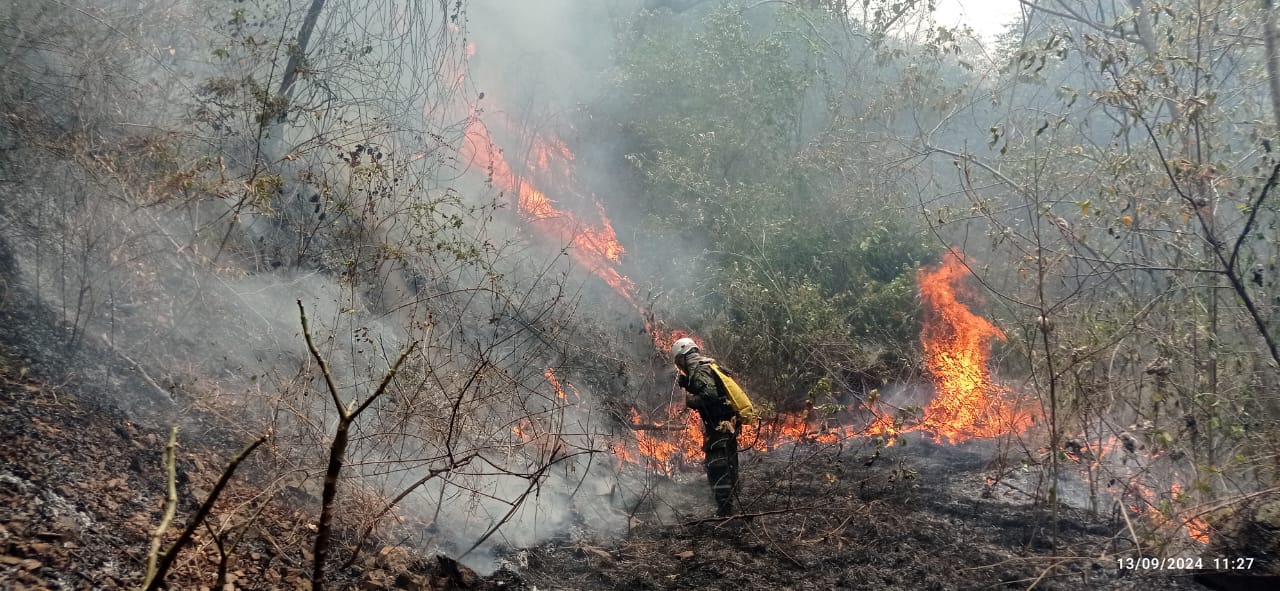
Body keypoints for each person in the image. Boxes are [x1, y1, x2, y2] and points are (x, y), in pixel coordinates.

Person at [672, 337, 739, 516]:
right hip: (728, 422)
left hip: (720, 425)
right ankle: (733, 499)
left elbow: (710, 396)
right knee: (729, 460)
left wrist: (690, 400)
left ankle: (725, 509)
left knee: (717, 465)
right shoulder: (706, 364)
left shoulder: (699, 369)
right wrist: (689, 385)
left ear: (681, 358)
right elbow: (711, 389)